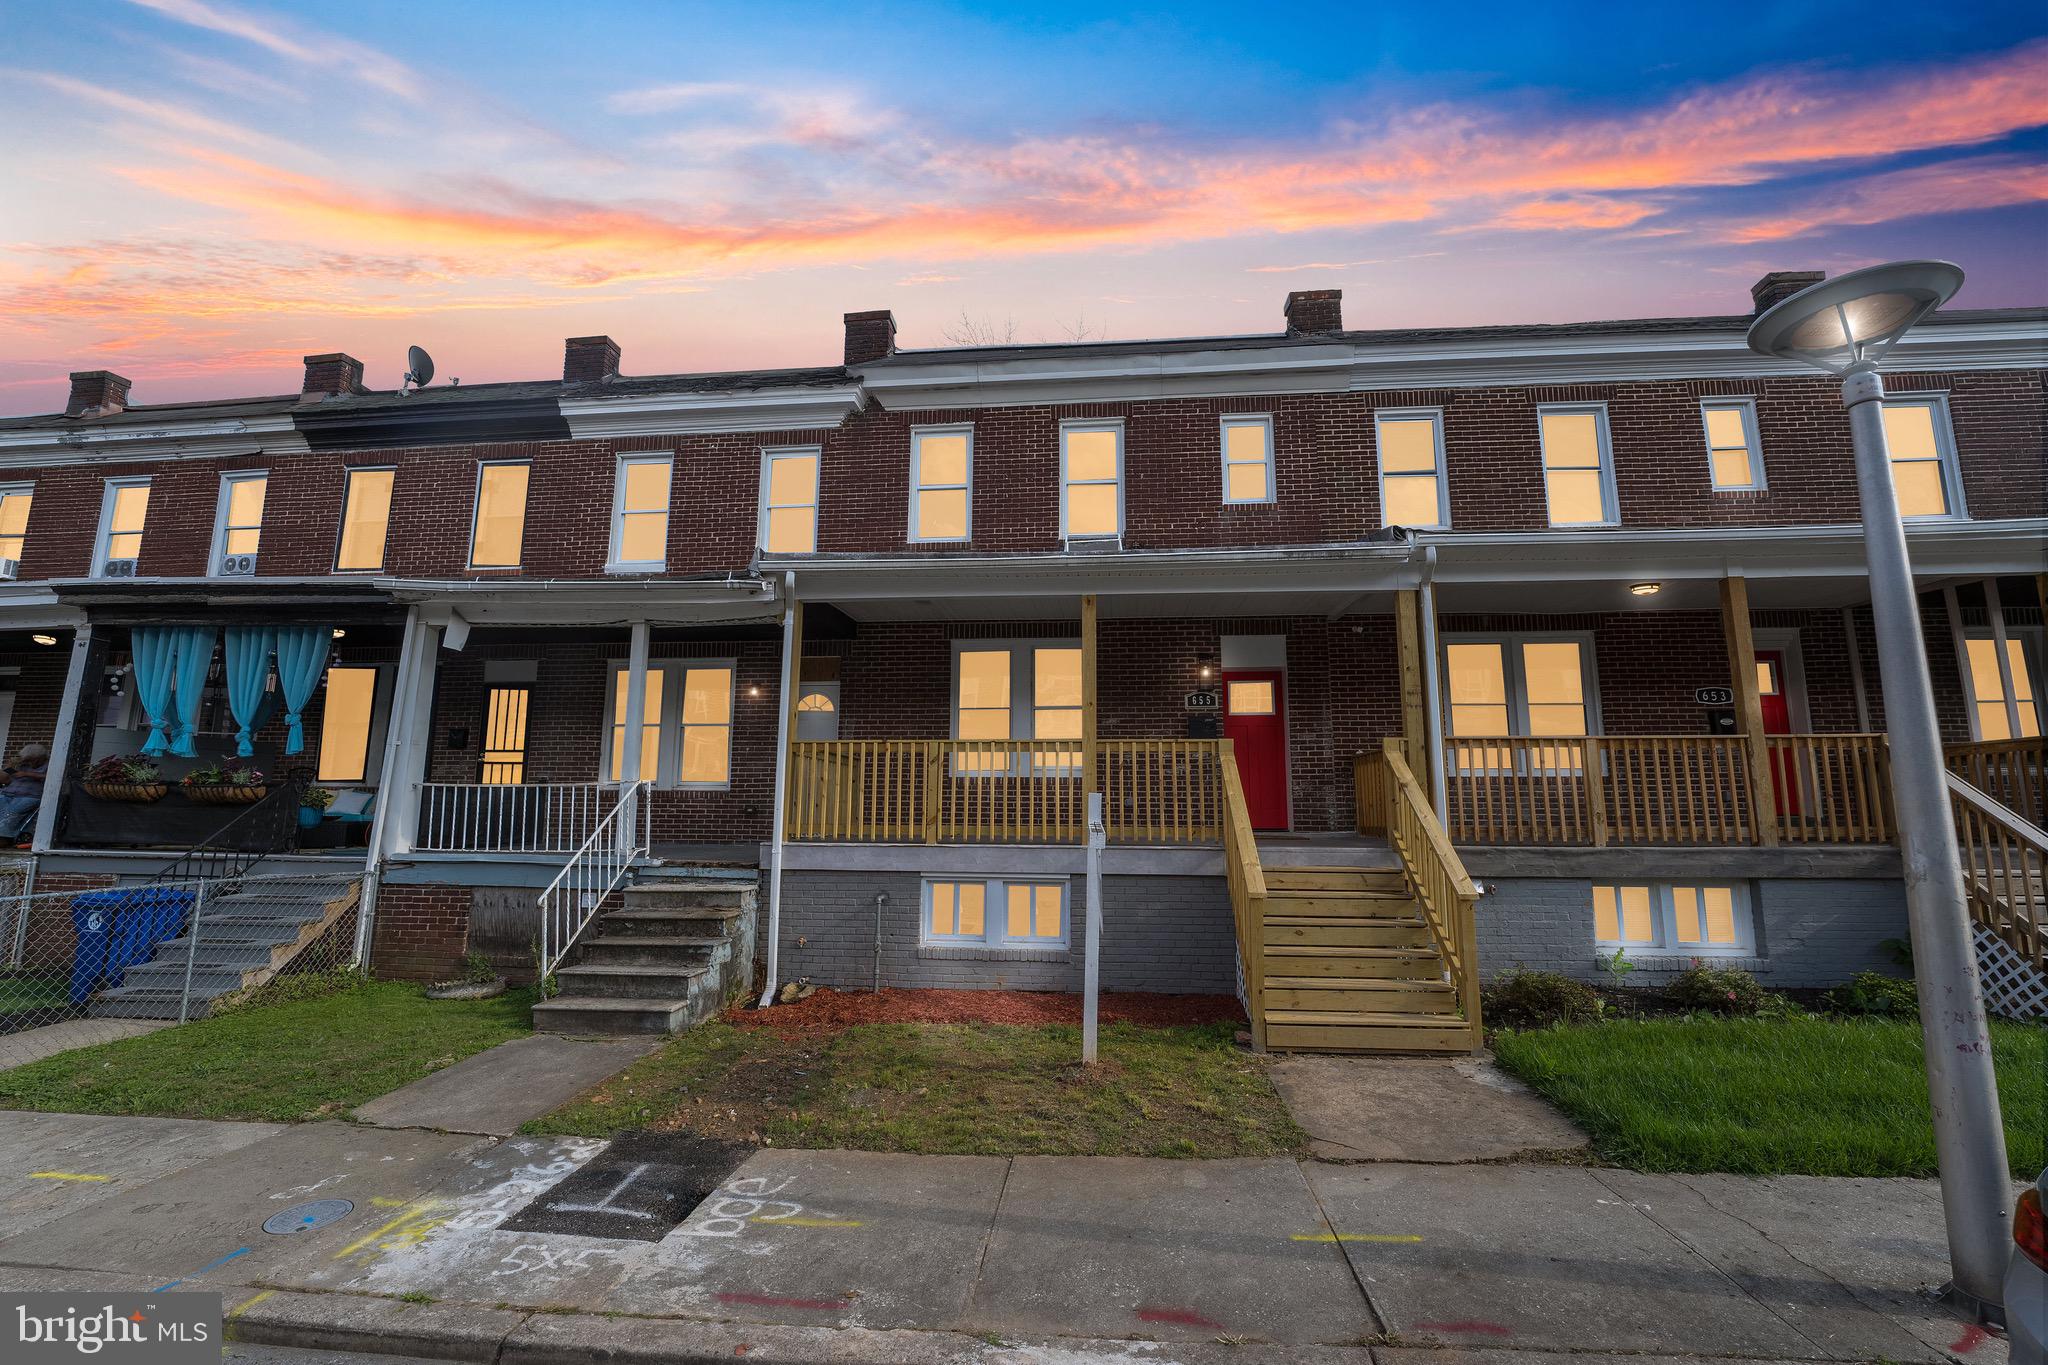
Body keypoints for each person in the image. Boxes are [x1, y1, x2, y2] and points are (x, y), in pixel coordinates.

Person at [0, 743, 49, 844]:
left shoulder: (49, 765)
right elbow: (4, 779)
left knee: (12, 811)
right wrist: (9, 766)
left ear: (40, 758)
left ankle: (4, 837)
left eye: (31, 760)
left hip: (30, 796)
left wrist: (27, 774)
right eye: (27, 760)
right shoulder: (21, 764)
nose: (28, 762)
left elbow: (51, 777)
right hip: (7, 793)